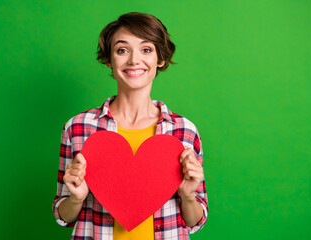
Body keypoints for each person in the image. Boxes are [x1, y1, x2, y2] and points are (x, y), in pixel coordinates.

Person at [52, 12, 208, 240]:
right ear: (109, 59)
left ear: (160, 59)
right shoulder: (78, 127)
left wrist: (187, 196)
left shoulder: (184, 130)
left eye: (146, 50)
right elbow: (63, 216)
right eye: (122, 50)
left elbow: (195, 221)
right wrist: (76, 198)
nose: (134, 60)